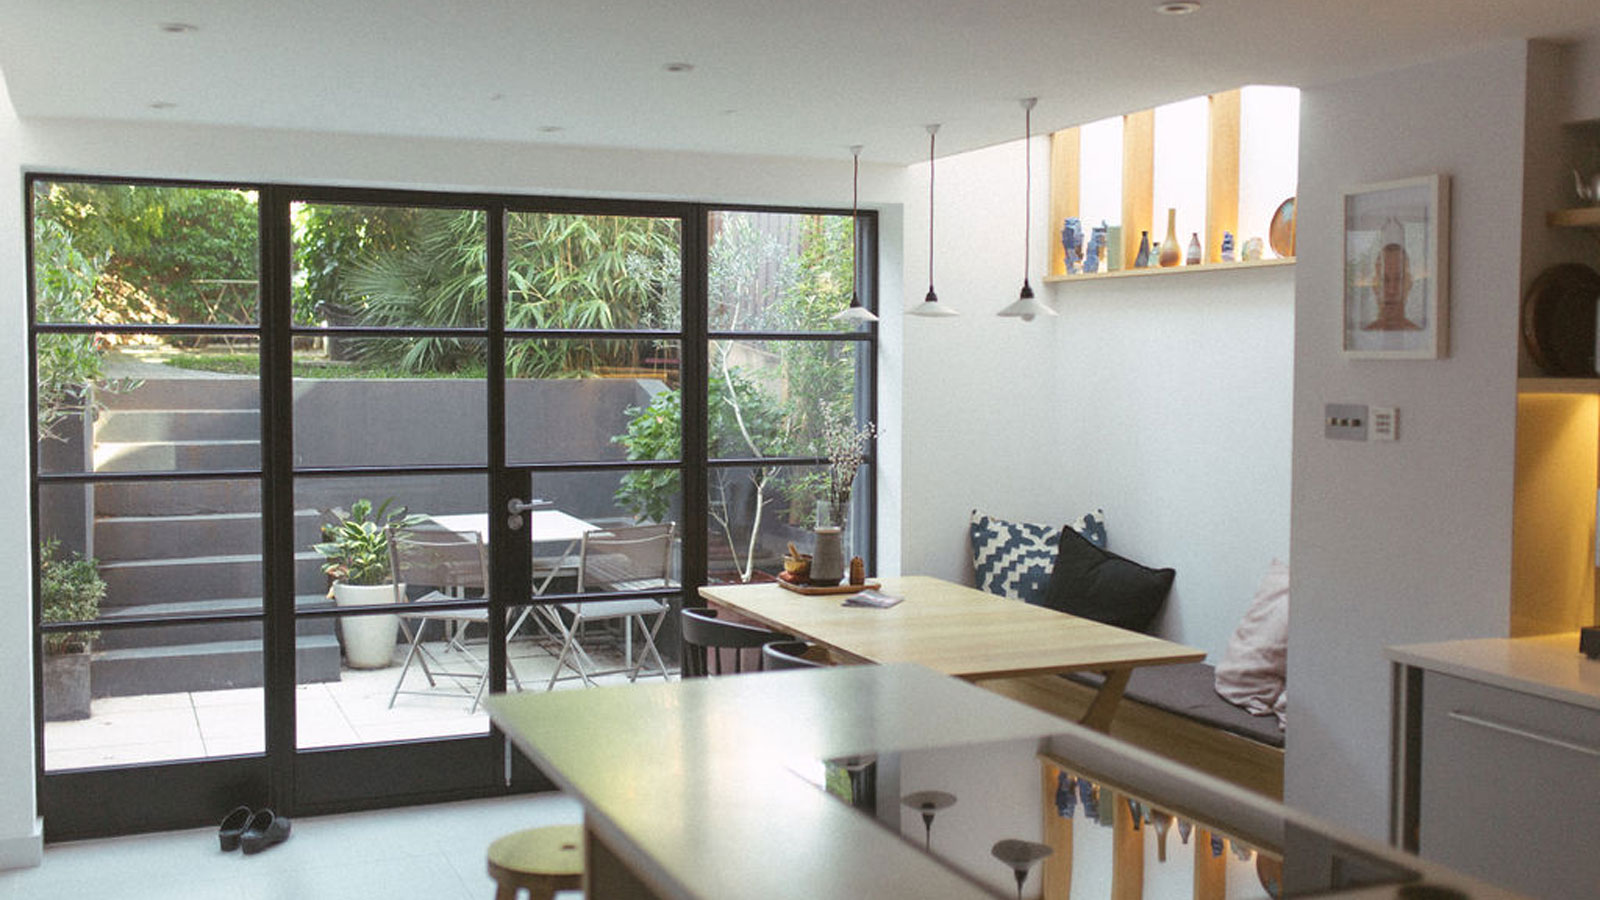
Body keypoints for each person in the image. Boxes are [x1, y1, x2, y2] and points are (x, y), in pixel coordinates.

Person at [1362, 218, 1422, 331]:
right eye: (1384, 280)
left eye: (1399, 280)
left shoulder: (1420, 337)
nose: (1391, 290)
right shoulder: (1363, 337)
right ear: (1374, 286)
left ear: (1409, 285)